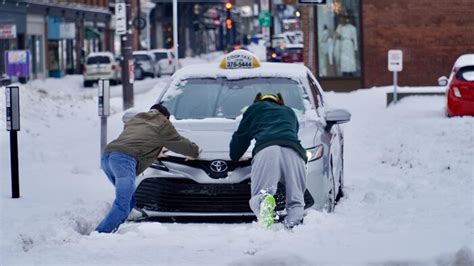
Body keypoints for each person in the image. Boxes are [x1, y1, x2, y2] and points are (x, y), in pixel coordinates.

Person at [96, 104, 200, 233]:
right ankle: (100, 233)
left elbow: (139, 141)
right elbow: (178, 142)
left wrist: (156, 151)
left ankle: (111, 229)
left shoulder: (137, 119)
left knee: (129, 201)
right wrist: (195, 151)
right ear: (166, 117)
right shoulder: (162, 122)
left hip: (107, 157)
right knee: (123, 203)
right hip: (124, 160)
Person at [229, 93, 307, 229]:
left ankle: (265, 204)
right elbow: (292, 132)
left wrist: (235, 155)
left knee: (262, 193)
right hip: (294, 152)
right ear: (279, 102)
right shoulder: (289, 112)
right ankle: (294, 226)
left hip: (267, 150)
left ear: (258, 101)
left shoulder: (254, 109)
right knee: (296, 198)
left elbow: (241, 137)